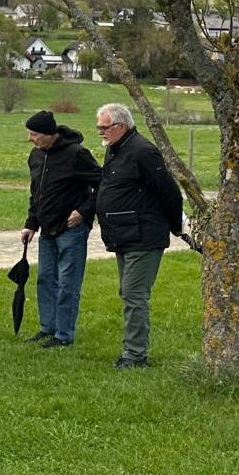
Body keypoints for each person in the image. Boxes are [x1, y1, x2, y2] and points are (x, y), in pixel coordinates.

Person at [94, 103, 184, 369]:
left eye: (104, 127)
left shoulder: (143, 151)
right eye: (99, 127)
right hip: (124, 234)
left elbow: (169, 191)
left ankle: (135, 356)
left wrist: (175, 224)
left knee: (134, 294)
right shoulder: (115, 149)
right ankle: (132, 351)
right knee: (127, 292)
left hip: (144, 235)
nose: (100, 132)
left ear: (120, 126)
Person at [22, 109, 101, 349]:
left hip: (72, 230)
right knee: (45, 280)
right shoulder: (35, 156)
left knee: (68, 283)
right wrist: (31, 223)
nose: (30, 139)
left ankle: (64, 335)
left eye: (33, 134)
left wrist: (84, 212)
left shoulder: (77, 154)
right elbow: (36, 192)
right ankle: (48, 328)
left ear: (48, 134)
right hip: (46, 229)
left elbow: (103, 183)